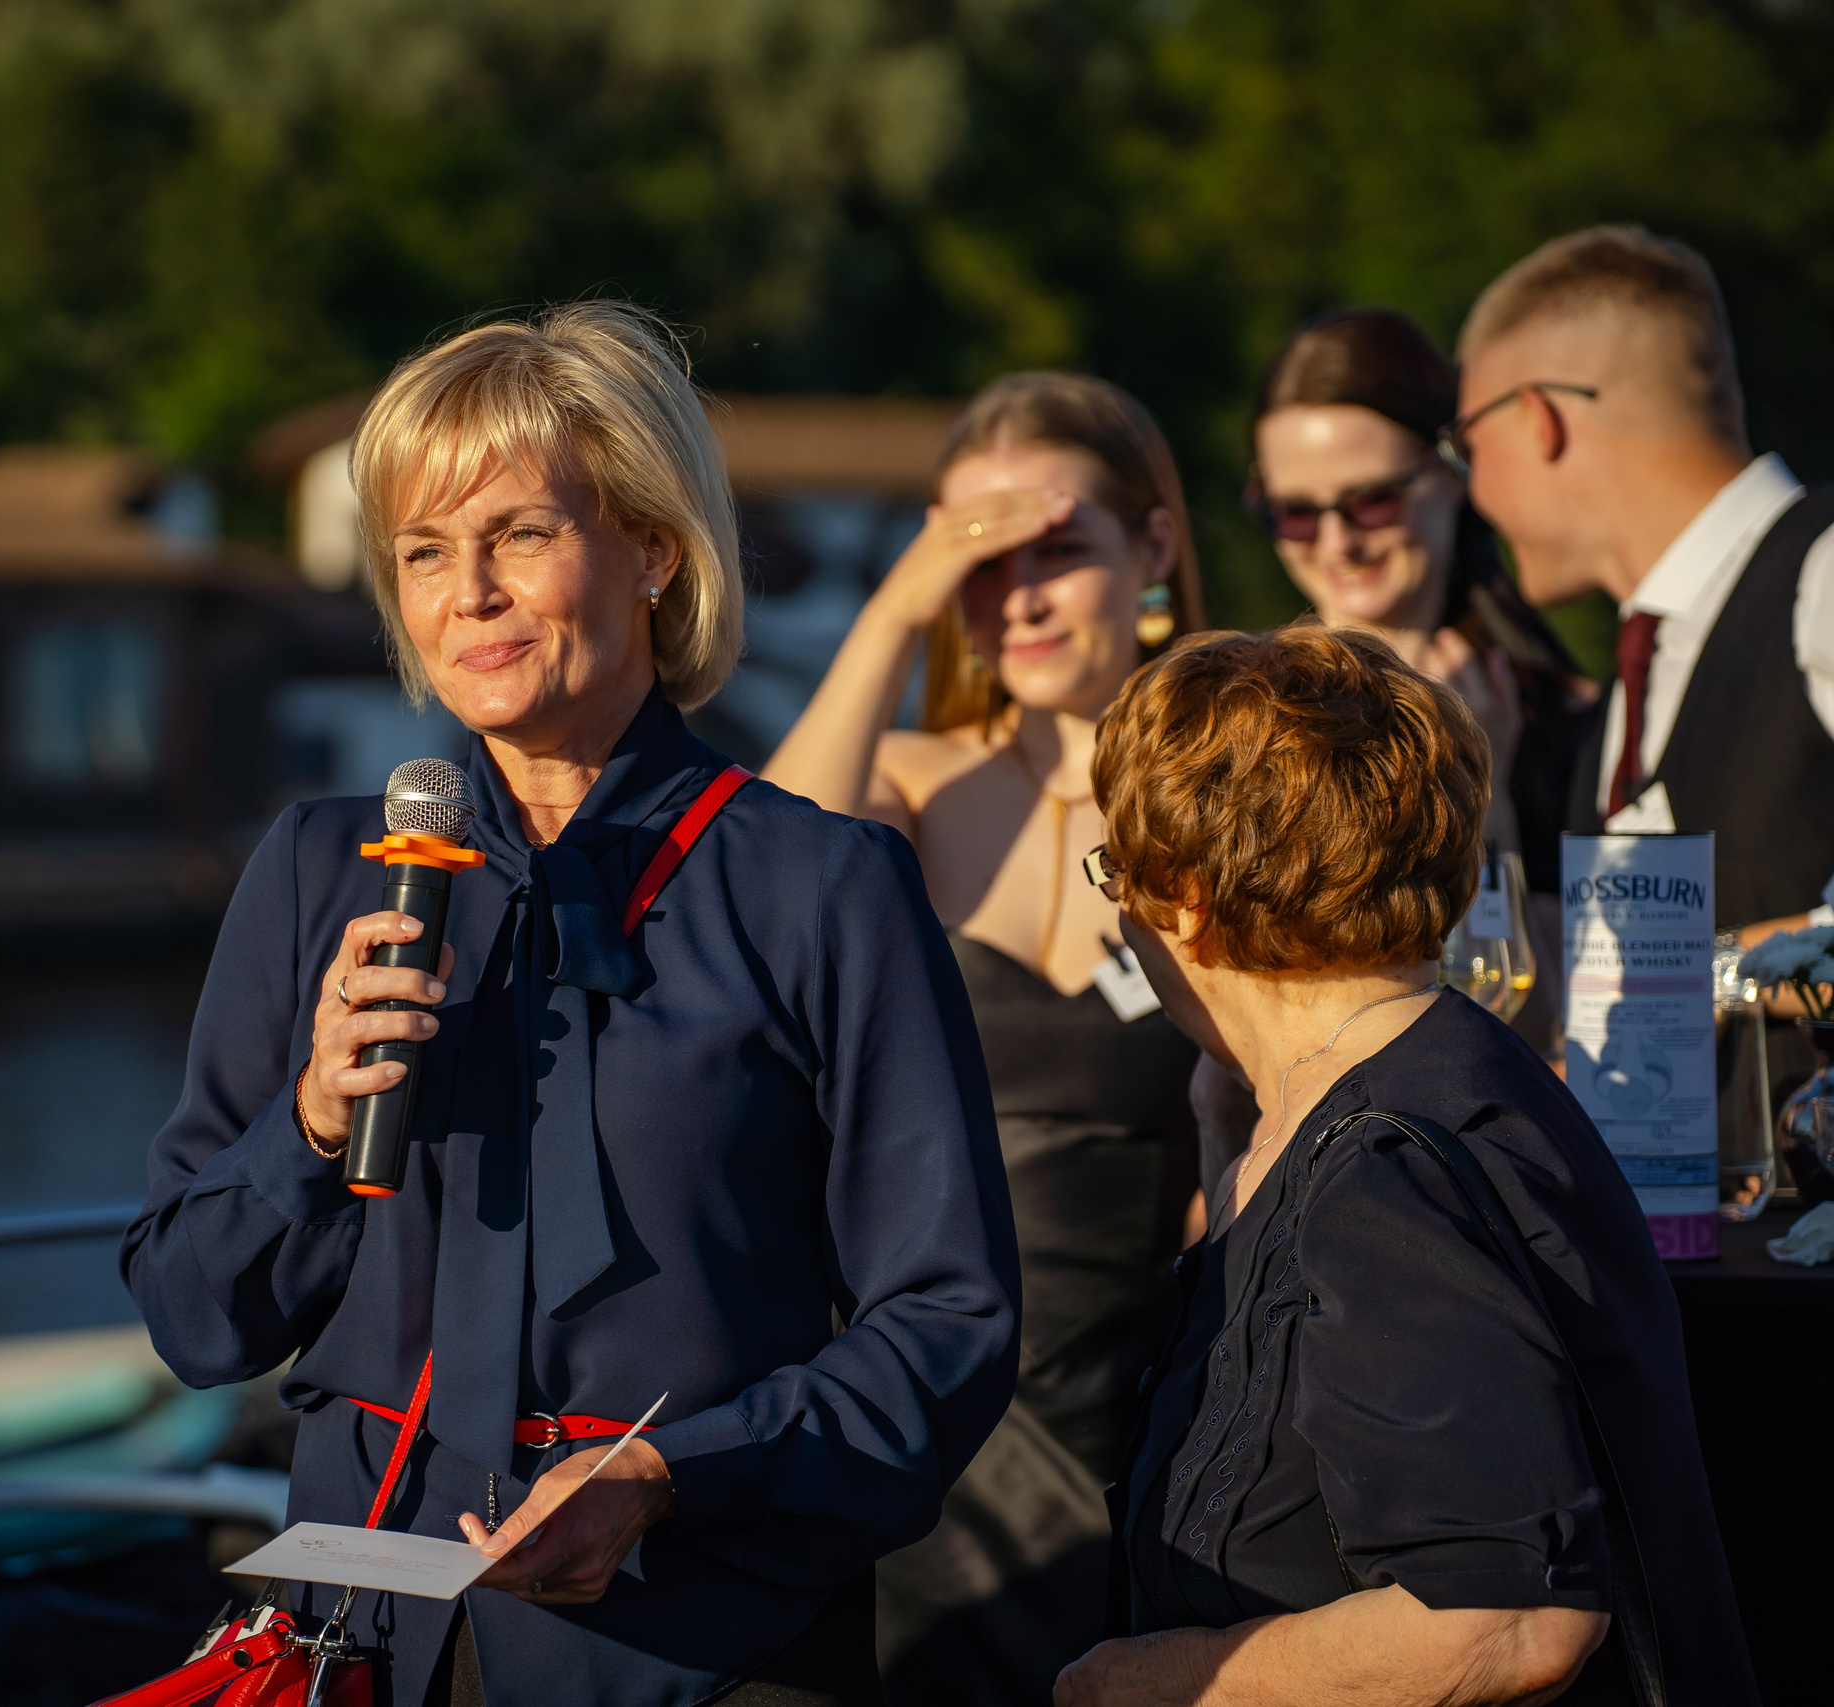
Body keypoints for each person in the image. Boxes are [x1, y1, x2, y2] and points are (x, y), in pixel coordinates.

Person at [123, 302, 1021, 1707]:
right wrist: (307, 1124)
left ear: (655, 547)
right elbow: (193, 1314)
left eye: (520, 536)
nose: (466, 591)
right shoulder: (318, 868)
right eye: (424, 552)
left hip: (710, 1649)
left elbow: (947, 1320)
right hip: (364, 1645)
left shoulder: (824, 884)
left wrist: (674, 1472)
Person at [1059, 625, 1754, 1707]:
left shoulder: (1387, 1170)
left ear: (1185, 898)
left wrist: (1152, 1682)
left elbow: (1504, 1617)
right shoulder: (1413, 1086)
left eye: (1113, 871)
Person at [763, 373, 1204, 1704]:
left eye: (1058, 551)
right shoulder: (905, 779)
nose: (1014, 594)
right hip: (931, 1391)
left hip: (1161, 1378)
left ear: (1158, 547)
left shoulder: (1220, 789)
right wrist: (901, 601)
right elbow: (770, 893)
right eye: (978, 560)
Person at [1450, 224, 1834, 939]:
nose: (1473, 495)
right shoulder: (1629, 690)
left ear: (1539, 420)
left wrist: (1717, 979)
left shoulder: (1822, 568)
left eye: (1469, 445)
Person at [1248, 308, 1596, 1060]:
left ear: (1455, 473)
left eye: (1371, 498)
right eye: (1297, 514)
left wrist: (1481, 794)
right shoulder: (1240, 725)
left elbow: (1530, 1030)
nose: (1340, 541)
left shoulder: (1572, 724)